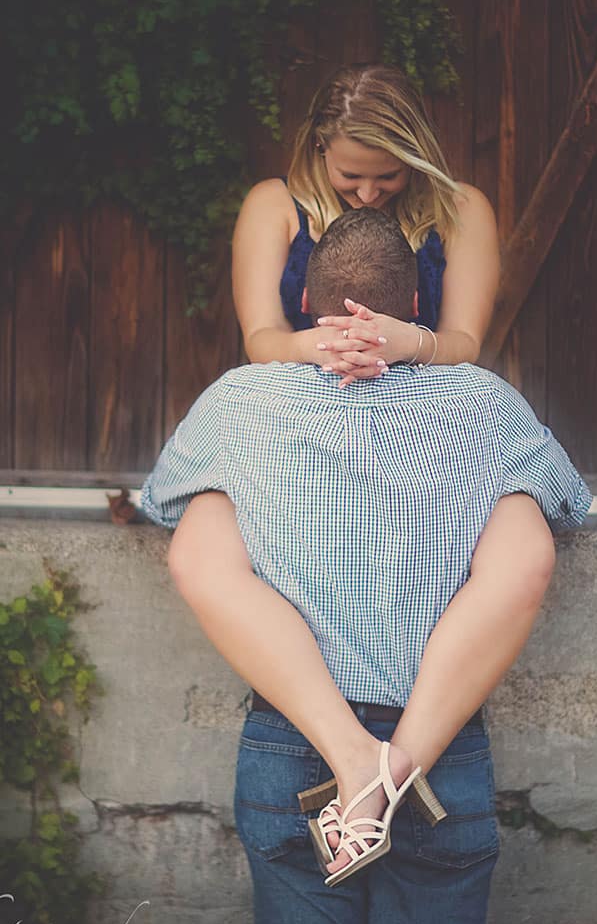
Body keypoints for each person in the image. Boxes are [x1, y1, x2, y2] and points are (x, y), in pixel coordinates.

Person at [142, 206, 592, 924]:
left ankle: (359, 765)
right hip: (438, 752)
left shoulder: (239, 403)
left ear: (307, 304)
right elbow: (567, 507)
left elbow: (164, 502)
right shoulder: (483, 405)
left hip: (292, 745)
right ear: (417, 304)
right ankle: (387, 768)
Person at [166, 64, 559, 880]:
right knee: (204, 546)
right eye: (352, 177)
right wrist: (325, 344)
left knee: (519, 550)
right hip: (299, 414)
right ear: (318, 150)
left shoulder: (461, 209)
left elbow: (462, 343)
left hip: (422, 412)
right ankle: (361, 760)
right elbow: (261, 336)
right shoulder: (272, 205)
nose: (373, 193)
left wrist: (405, 342)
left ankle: (379, 768)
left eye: (390, 177)